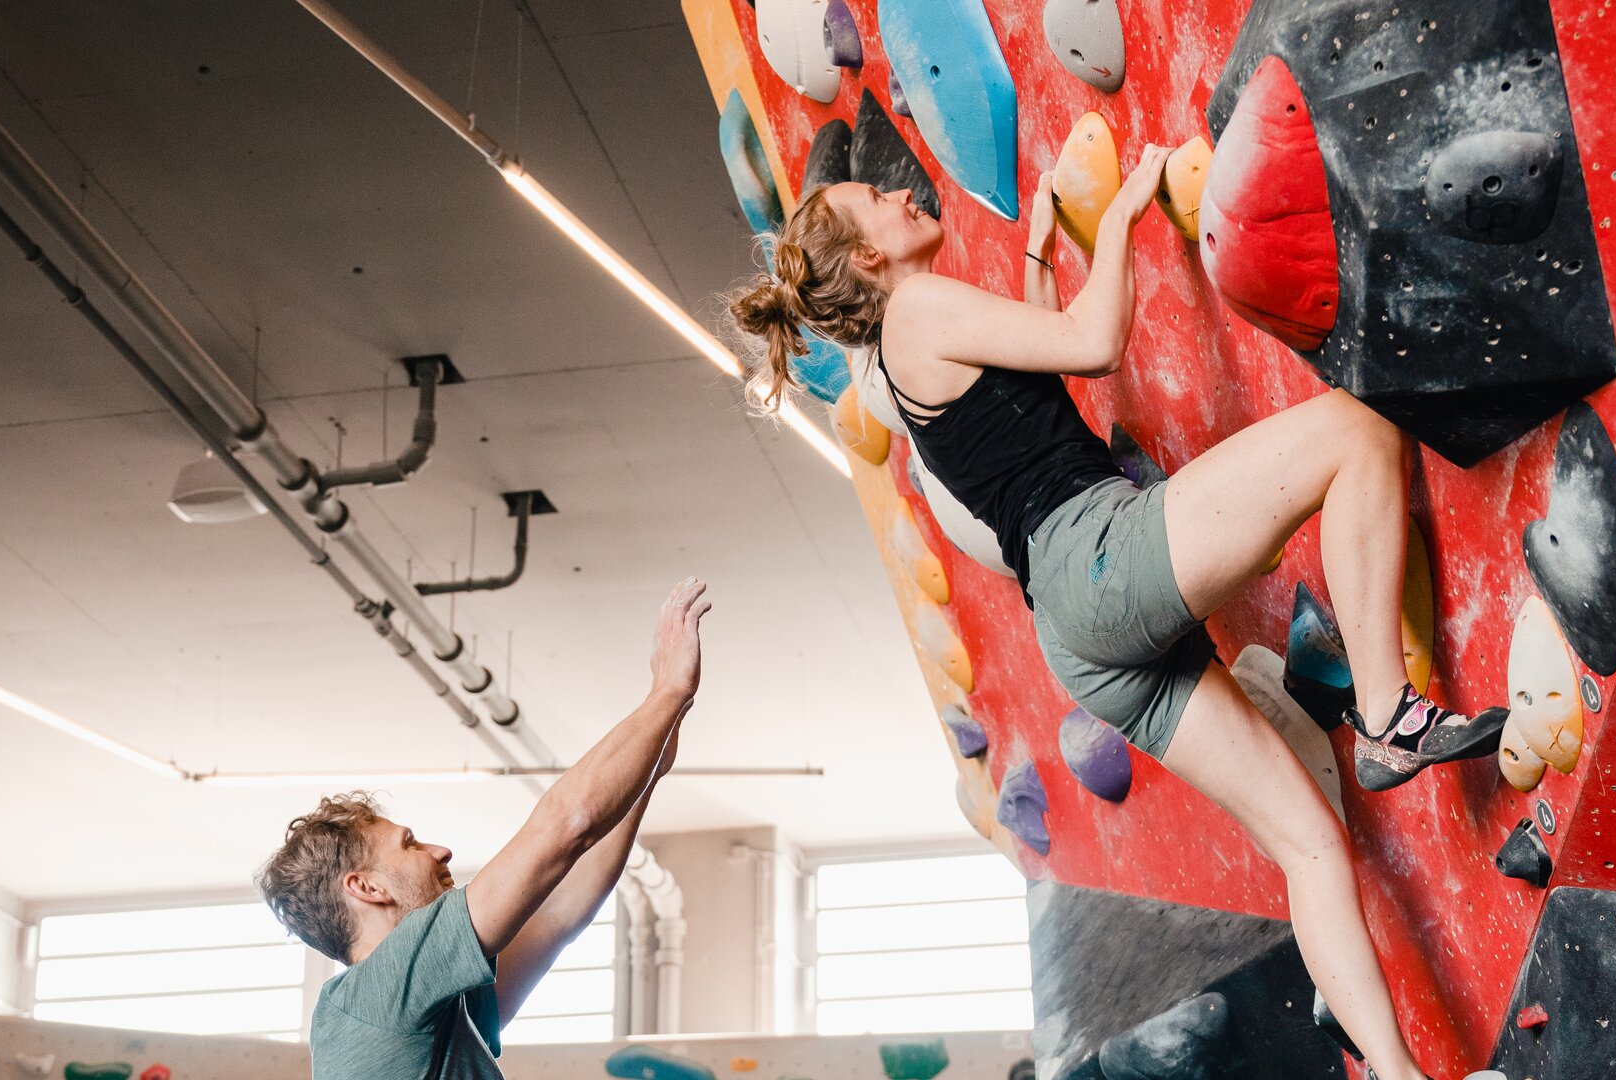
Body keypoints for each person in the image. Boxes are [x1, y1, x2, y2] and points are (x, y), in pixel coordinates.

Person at [728, 150, 1506, 1080]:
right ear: (866, 260)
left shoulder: (899, 364)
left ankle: (1400, 1077)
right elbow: (1093, 346)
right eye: (877, 201)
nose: (901, 194)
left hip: (1077, 635)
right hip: (1092, 556)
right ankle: (1386, 715)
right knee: (1357, 431)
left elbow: (1021, 401)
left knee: (1307, 843)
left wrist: (1036, 263)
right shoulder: (917, 308)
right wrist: (1127, 213)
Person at [257, 578, 710, 1080]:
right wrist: (667, 693)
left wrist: (648, 769)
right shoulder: (380, 991)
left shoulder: (432, 1001)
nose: (441, 850)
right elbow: (566, 825)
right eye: (408, 844)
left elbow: (559, 913)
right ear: (366, 887)